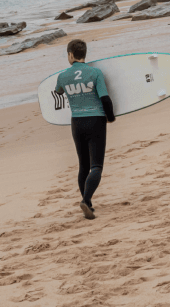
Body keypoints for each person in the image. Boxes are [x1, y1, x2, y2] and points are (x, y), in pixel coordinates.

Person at [54, 39, 115, 220]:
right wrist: (110, 118)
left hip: (77, 123)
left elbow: (57, 92)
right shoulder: (95, 73)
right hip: (96, 120)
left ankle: (87, 203)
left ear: (71, 54)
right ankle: (86, 199)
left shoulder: (62, 76)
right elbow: (105, 98)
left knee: (83, 166)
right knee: (96, 166)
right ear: (84, 54)